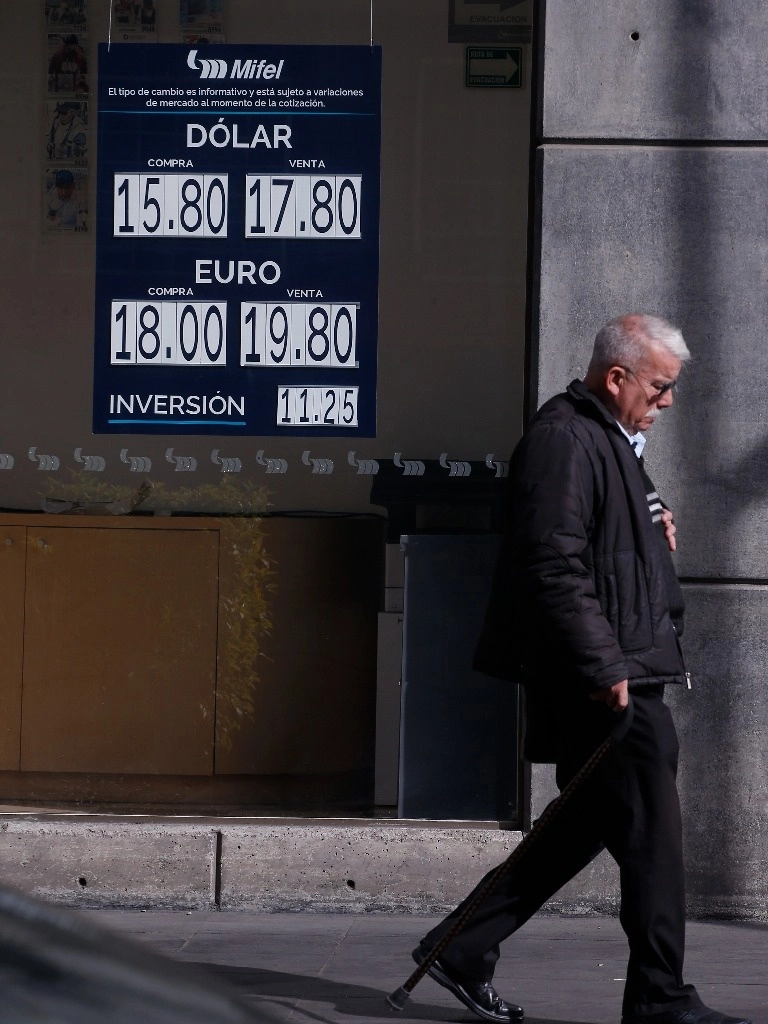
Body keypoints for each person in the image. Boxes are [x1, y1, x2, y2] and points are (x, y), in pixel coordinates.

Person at [411, 314, 751, 1024]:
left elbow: (601, 550)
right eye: (658, 387)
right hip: (605, 676)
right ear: (616, 376)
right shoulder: (566, 440)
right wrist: (602, 665)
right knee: (654, 835)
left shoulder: (610, 441)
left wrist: (653, 533)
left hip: (617, 664)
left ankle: (462, 945)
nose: (668, 402)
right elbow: (551, 565)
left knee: (586, 822)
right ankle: (660, 999)